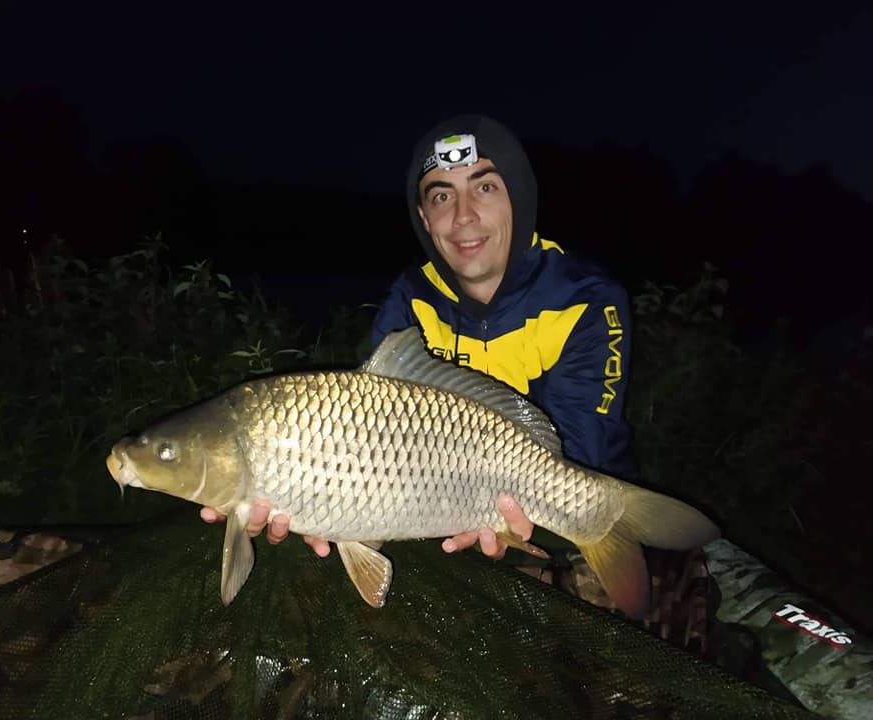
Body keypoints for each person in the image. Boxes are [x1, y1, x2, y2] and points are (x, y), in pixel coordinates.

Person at [200, 113, 638, 562]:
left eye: (485, 187)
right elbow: (379, 438)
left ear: (519, 199)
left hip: (564, 510)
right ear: (425, 219)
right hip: (447, 517)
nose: (463, 215)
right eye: (442, 196)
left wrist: (521, 510)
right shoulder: (411, 300)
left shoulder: (582, 297)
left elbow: (580, 454)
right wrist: (332, 509)